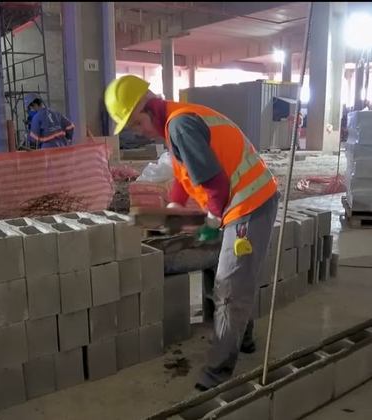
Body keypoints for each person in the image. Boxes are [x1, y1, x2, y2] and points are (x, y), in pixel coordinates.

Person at [104, 75, 280, 390]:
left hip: (249, 202)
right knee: (229, 271)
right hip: (242, 199)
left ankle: (216, 376)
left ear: (149, 109)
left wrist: (211, 222)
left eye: (135, 125)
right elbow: (184, 172)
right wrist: (173, 205)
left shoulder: (179, 126)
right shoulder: (175, 122)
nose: (138, 133)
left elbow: (215, 184)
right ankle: (245, 339)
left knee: (229, 286)